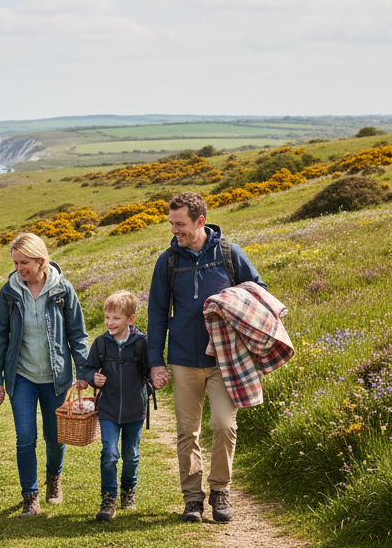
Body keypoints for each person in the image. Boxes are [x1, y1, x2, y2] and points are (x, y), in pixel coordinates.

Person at [146, 191, 265, 524]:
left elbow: (258, 292)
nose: (174, 231)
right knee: (188, 431)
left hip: (225, 360)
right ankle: (193, 499)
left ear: (200, 221)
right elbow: (156, 313)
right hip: (184, 359)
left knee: (224, 425)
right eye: (171, 224)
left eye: (180, 224)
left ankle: (220, 491)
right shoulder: (168, 261)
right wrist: (156, 361)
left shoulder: (229, 253)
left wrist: (231, 302)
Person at [0, 232, 89, 516]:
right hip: (22, 376)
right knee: (25, 437)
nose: (19, 268)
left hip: (56, 377)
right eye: (16, 262)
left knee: (55, 436)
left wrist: (84, 371)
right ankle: (29, 496)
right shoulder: (9, 293)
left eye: (24, 262)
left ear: (40, 260)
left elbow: (78, 335)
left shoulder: (62, 289)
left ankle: (53, 478)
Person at [78, 290, 150, 521]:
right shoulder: (100, 344)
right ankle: (108, 498)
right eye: (107, 317)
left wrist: (157, 379)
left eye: (116, 318)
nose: (110, 322)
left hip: (135, 409)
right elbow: (87, 369)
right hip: (107, 409)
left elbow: (152, 371)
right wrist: (92, 378)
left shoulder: (142, 343)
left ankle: (128, 490)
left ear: (131, 319)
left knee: (131, 455)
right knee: (109, 453)